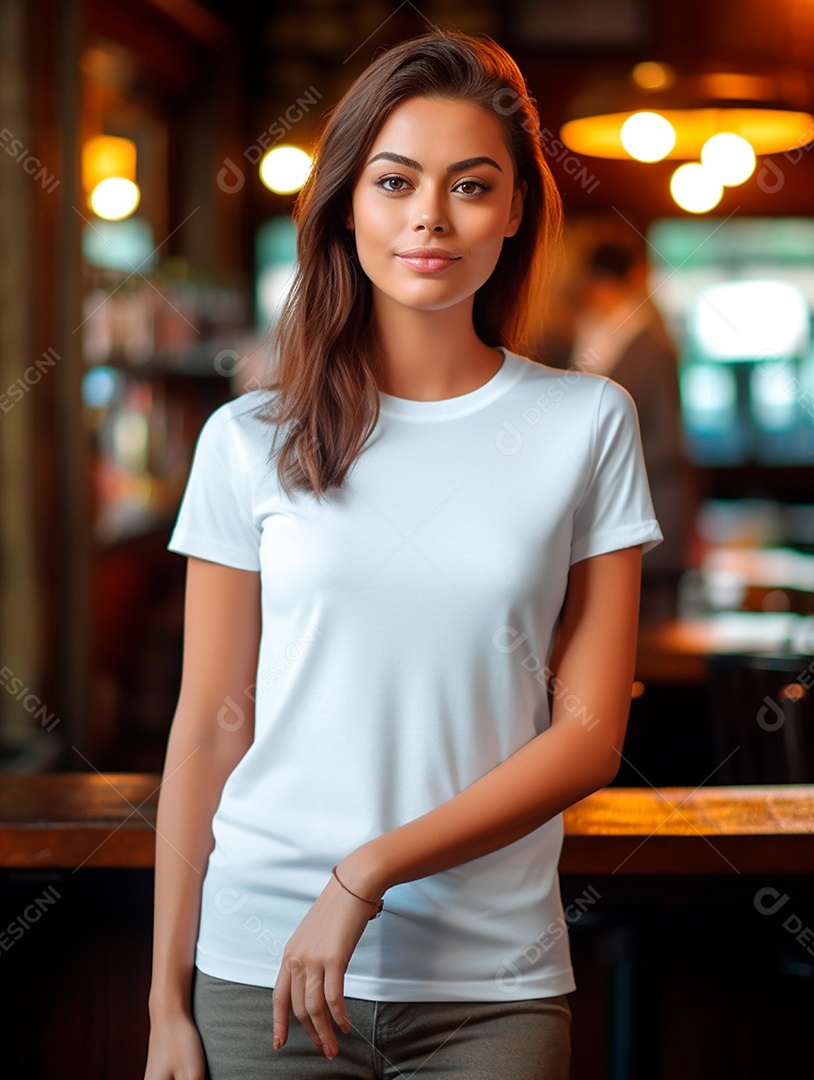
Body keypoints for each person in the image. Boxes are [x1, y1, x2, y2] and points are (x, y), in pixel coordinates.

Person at [143, 27, 662, 1080]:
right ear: (347, 204)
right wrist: (163, 1001)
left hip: (490, 986)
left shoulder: (586, 421)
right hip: (259, 969)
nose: (431, 215)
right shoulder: (247, 439)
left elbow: (589, 737)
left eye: (471, 186)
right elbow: (206, 728)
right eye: (394, 181)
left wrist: (365, 874)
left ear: (514, 211)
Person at [568, 241, 696, 618]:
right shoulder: (597, 334)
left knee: (650, 627)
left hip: (652, 507)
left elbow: (669, 440)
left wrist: (595, 460)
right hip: (608, 510)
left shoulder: (651, 345)